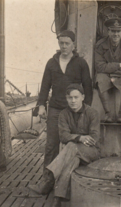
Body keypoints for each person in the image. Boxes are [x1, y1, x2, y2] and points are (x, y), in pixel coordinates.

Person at [34, 30, 93, 190]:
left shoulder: (81, 63)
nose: (64, 46)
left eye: (67, 43)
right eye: (61, 43)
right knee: (51, 145)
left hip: (74, 111)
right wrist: (41, 105)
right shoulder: (51, 63)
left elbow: (88, 87)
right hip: (55, 109)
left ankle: (69, 182)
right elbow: (45, 85)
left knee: (73, 145)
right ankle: (47, 182)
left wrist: (85, 109)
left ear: (74, 45)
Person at [31, 84, 100, 207]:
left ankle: (50, 177)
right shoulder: (63, 114)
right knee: (71, 160)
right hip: (73, 153)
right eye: (69, 98)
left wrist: (74, 138)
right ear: (66, 99)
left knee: (71, 146)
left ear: (83, 97)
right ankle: (58, 199)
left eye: (76, 97)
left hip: (91, 152)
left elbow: (94, 138)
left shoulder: (92, 113)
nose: (73, 101)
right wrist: (80, 138)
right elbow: (63, 136)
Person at [95, 18, 121, 123]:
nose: (115, 34)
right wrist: (119, 65)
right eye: (113, 31)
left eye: (118, 31)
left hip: (120, 75)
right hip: (106, 75)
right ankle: (108, 113)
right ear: (108, 31)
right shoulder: (100, 45)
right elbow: (99, 67)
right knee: (100, 78)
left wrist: (113, 73)